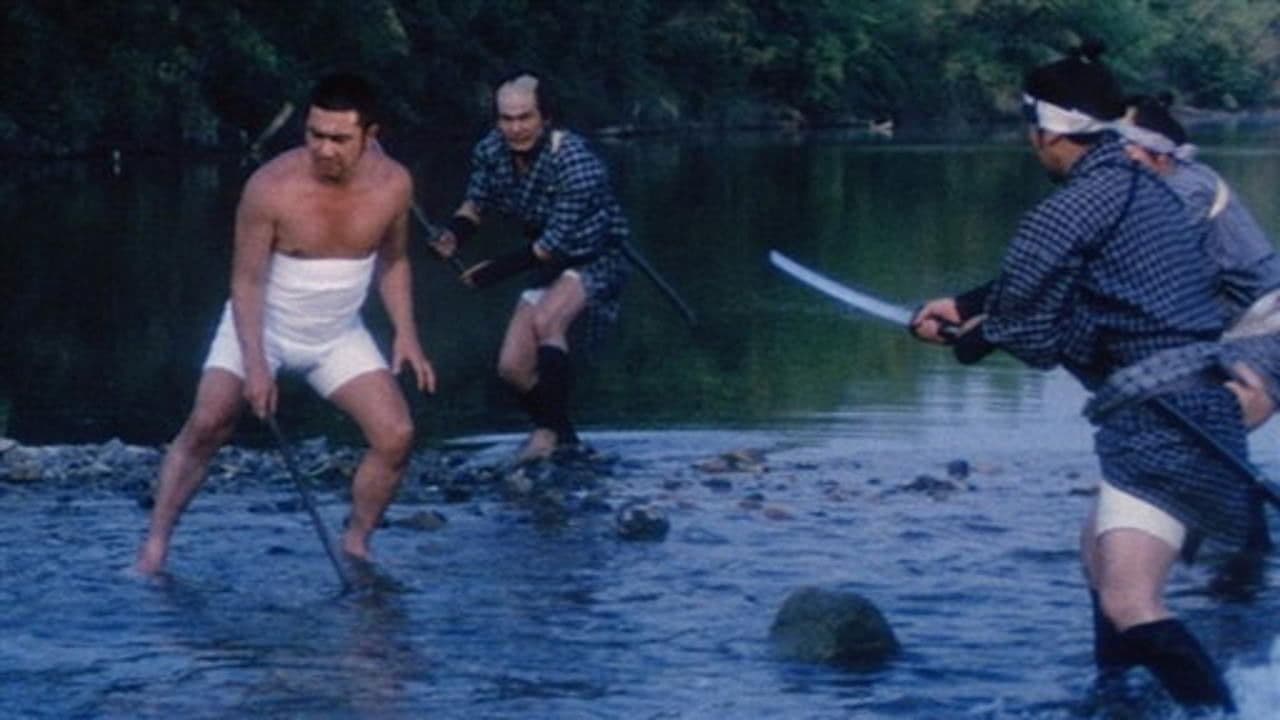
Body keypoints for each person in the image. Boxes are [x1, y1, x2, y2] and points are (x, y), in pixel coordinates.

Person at [911, 45, 1243, 711]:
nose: (1031, 143)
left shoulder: (1064, 210)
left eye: (1030, 130)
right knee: (1096, 554)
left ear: (1048, 132)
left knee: (1130, 600)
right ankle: (1116, 700)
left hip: (1160, 424)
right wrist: (971, 307)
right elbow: (1068, 281)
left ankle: (1225, 714)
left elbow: (1032, 336)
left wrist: (969, 340)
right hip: (1205, 407)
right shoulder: (1144, 188)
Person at [136, 73, 436, 574]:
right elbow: (246, 282)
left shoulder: (394, 184)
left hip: (337, 333)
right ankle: (154, 547)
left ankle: (356, 544)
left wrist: (406, 333)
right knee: (208, 422)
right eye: (315, 134)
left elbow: (394, 261)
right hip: (261, 328)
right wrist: (255, 364)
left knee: (396, 435)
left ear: (371, 136)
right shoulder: (269, 187)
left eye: (339, 139)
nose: (324, 149)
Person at [430, 70, 630, 462]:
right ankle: (566, 440)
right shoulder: (491, 149)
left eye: (525, 118)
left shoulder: (575, 160)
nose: (516, 128)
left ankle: (547, 434)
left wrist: (492, 272)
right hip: (549, 262)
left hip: (596, 255)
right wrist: (454, 234)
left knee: (547, 321)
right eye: (507, 119)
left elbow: (551, 246)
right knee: (512, 367)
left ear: (545, 118)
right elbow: (476, 203)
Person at [1118, 93, 1280, 336]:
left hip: (1261, 312)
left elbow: (1169, 263)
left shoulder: (1187, 190)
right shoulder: (1187, 174)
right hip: (1248, 308)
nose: (1123, 153)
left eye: (1129, 145)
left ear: (1160, 154)